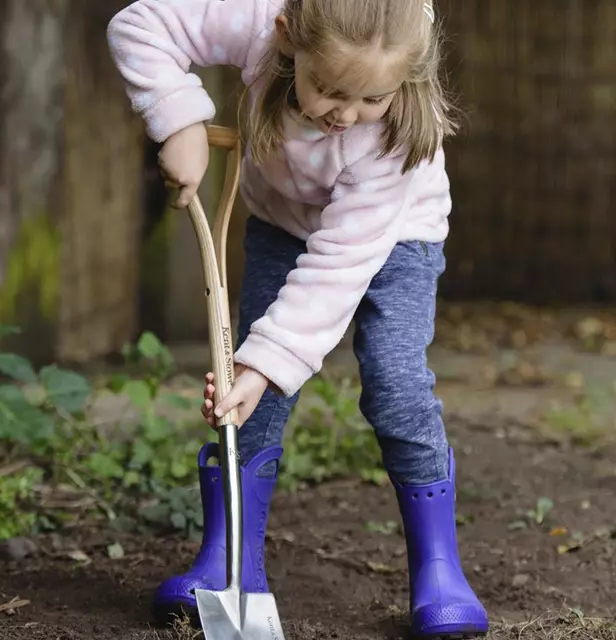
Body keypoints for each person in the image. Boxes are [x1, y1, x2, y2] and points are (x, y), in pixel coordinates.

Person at [107, 0, 489, 636]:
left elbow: (339, 267)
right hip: (283, 225)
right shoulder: (262, 21)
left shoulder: (396, 139)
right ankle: (231, 563)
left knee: (395, 385)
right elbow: (141, 24)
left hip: (393, 238)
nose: (346, 114)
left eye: (371, 97)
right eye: (330, 89)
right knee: (250, 403)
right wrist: (178, 121)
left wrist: (264, 362)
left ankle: (439, 571)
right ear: (287, 40)